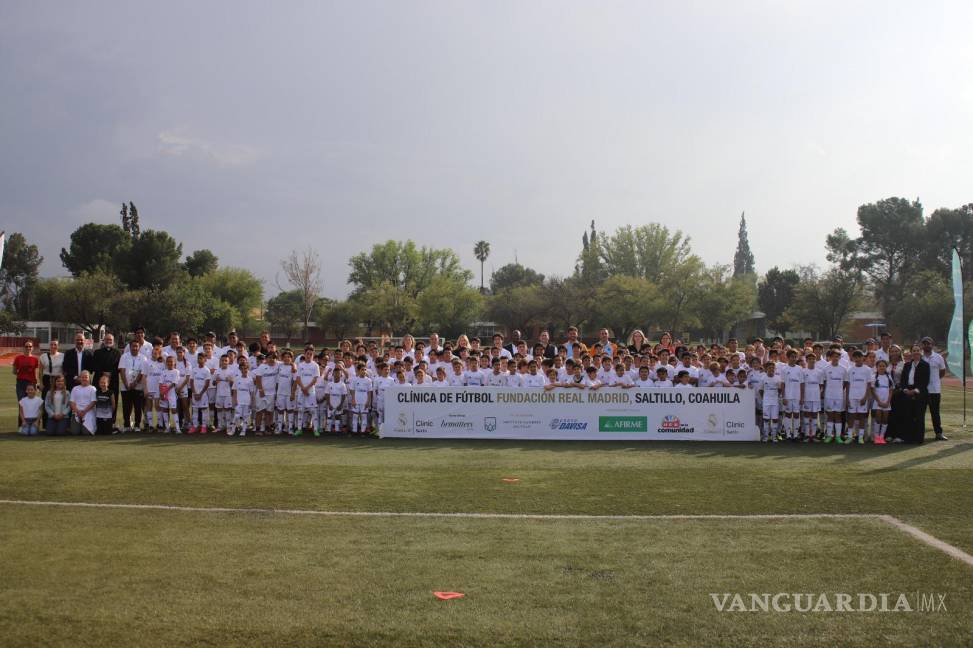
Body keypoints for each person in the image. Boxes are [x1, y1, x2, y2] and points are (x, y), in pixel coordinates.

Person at [893, 344, 930, 444]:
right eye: (914, 351)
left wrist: (915, 391)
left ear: (921, 352)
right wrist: (905, 390)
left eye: (918, 350)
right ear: (911, 353)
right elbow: (903, 380)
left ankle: (918, 438)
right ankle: (908, 437)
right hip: (907, 392)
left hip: (920, 393)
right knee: (908, 415)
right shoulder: (907, 365)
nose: (916, 352)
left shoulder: (925, 365)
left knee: (919, 416)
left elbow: (925, 382)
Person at [920, 337, 948, 441]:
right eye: (925, 344)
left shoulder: (938, 357)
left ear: (932, 344)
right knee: (920, 412)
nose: (927, 345)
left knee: (935, 412)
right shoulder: (920, 357)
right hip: (922, 390)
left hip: (935, 390)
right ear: (922, 345)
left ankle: (938, 433)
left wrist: (935, 380)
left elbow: (942, 371)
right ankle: (920, 433)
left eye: (929, 344)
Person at [92, 333, 122, 427]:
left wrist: (110, 373)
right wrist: (104, 373)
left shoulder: (117, 353)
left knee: (113, 400)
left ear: (113, 342)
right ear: (104, 341)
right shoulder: (97, 352)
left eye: (110, 340)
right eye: (107, 340)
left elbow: (119, 367)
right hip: (99, 380)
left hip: (113, 380)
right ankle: (97, 421)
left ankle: (112, 422)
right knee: (98, 399)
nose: (108, 341)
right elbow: (95, 366)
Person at [118, 339, 145, 432]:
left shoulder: (143, 358)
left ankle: (137, 425)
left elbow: (142, 372)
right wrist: (126, 384)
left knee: (138, 407)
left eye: (136, 346)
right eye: (133, 346)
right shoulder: (124, 357)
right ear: (129, 347)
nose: (135, 348)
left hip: (138, 386)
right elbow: (122, 371)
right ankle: (126, 425)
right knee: (126, 407)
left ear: (139, 347)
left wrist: (135, 383)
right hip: (126, 387)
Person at [38, 338, 64, 431]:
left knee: (59, 401)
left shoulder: (62, 356)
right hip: (47, 379)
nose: (53, 346)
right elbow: (40, 371)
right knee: (46, 402)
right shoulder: (43, 356)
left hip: (58, 380)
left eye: (55, 344)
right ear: (49, 346)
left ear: (58, 346)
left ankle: (60, 423)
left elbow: (64, 370)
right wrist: (40, 383)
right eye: (51, 344)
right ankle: (46, 425)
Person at [12, 340, 39, 426]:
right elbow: (14, 371)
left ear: (32, 348)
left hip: (31, 383)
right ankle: (21, 425)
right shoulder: (18, 358)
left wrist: (36, 385)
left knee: (32, 404)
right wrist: (22, 373)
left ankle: (33, 424)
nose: (28, 348)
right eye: (26, 346)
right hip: (21, 383)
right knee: (22, 404)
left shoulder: (35, 359)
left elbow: (37, 372)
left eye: (30, 346)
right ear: (24, 348)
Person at [69, 370, 97, 435]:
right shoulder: (75, 388)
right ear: (80, 378)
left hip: (88, 412)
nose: (84, 379)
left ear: (89, 378)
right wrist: (78, 411)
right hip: (76, 412)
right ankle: (78, 425)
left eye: (86, 377)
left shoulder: (92, 388)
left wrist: (84, 411)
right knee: (75, 432)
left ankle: (83, 425)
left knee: (86, 433)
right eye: (82, 377)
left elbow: (93, 402)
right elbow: (71, 402)